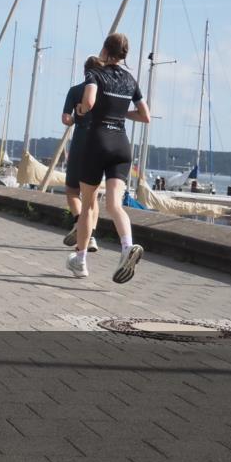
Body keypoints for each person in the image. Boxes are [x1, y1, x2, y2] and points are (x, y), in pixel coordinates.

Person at [67, 33, 150, 282]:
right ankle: (127, 248)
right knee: (115, 205)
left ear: (104, 49)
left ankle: (80, 261)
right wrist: (121, 113)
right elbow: (145, 115)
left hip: (98, 142)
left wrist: (81, 108)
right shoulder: (130, 79)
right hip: (122, 146)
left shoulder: (95, 73)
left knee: (88, 205)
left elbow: (89, 101)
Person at [61, 56, 104, 252]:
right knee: (92, 196)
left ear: (84, 71)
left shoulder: (75, 90)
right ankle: (91, 236)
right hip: (101, 142)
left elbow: (66, 119)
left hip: (80, 141)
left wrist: (75, 118)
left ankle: (79, 223)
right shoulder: (106, 92)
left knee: (72, 190)